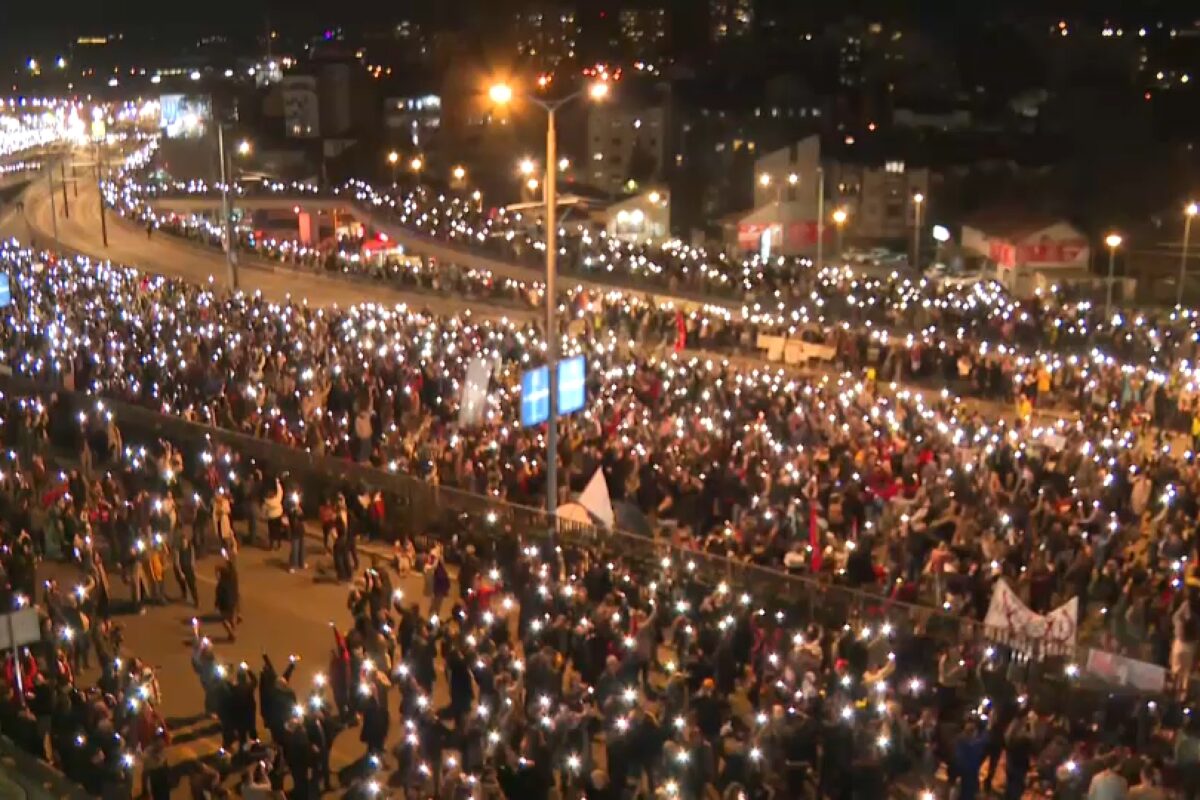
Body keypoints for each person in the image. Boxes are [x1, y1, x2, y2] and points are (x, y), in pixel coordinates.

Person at [215, 559, 240, 641]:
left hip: (225, 603)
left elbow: (219, 595)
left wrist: (217, 605)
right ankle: (234, 632)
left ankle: (232, 634)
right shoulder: (234, 575)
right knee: (232, 618)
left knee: (224, 620)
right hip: (234, 600)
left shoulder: (221, 583)